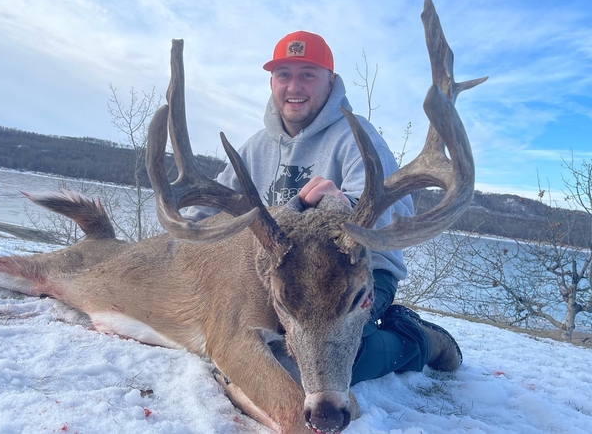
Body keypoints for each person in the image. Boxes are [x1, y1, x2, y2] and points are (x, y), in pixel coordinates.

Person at [186, 31, 462, 383]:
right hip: (286, 280)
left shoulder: (355, 137)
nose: (294, 87)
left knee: (324, 360)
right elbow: (210, 212)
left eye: (307, 75)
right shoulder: (255, 148)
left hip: (356, 277)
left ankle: (422, 341)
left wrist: (345, 203)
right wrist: (188, 231)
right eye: (284, 75)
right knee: (258, 345)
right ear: (272, 82)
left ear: (330, 81)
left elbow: (397, 214)